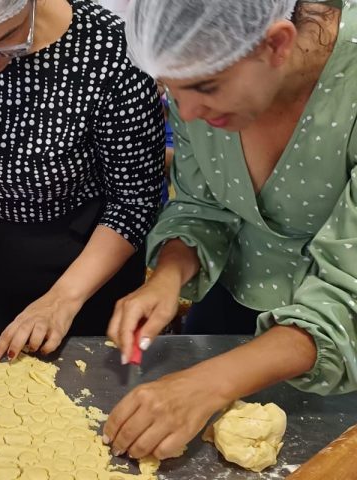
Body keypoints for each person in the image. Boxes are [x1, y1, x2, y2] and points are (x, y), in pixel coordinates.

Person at [103, 0, 357, 461]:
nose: (187, 113)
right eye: (172, 91)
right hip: (230, 306)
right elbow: (203, 205)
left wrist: (208, 384)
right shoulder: (202, 86)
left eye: (205, 87)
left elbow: (349, 294)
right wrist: (168, 277)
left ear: (276, 44)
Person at [0, 0, 165, 358]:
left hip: (92, 252)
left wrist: (63, 299)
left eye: (4, 40)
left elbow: (134, 199)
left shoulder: (109, 49)